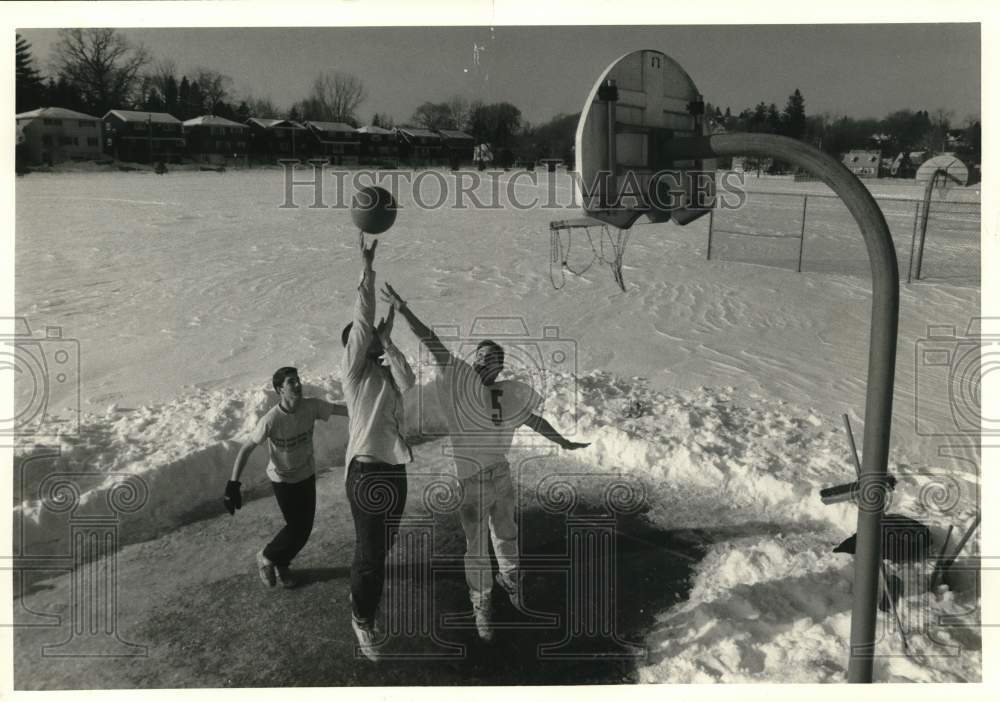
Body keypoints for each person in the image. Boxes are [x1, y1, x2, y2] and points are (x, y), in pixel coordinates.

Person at [379, 282, 589, 643]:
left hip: (501, 475)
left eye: (488, 357)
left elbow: (534, 420)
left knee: (507, 536)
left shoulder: (510, 393)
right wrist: (402, 308)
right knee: (475, 548)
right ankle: (482, 606)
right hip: (472, 481)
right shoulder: (458, 379)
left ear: (499, 366)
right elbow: (431, 341)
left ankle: (511, 582)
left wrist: (563, 441)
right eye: (477, 355)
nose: (479, 360)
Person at [341, 234, 416, 661]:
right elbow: (362, 317)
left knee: (379, 548)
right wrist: (367, 271)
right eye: (365, 337)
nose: (369, 336)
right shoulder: (353, 373)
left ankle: (362, 589)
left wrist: (389, 342)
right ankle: (362, 619)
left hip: (394, 471)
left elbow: (409, 382)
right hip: (367, 472)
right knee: (371, 556)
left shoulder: (385, 373)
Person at [226, 367, 348, 589]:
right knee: (295, 527)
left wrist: (369, 410)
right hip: (282, 479)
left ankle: (282, 563)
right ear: (279, 389)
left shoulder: (311, 406)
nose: (298, 385)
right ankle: (266, 556)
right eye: (291, 382)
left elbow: (343, 410)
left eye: (298, 380)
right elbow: (246, 449)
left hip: (306, 473)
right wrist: (233, 484)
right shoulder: (271, 420)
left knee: (304, 528)